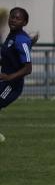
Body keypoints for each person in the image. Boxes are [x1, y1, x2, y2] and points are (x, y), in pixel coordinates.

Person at [0, 7, 37, 143]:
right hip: (4, 80)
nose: (13, 20)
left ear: (24, 22)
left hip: (12, 84)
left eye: (18, 18)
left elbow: (28, 68)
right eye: (12, 17)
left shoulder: (21, 40)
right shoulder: (11, 36)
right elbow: (7, 59)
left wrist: (9, 77)